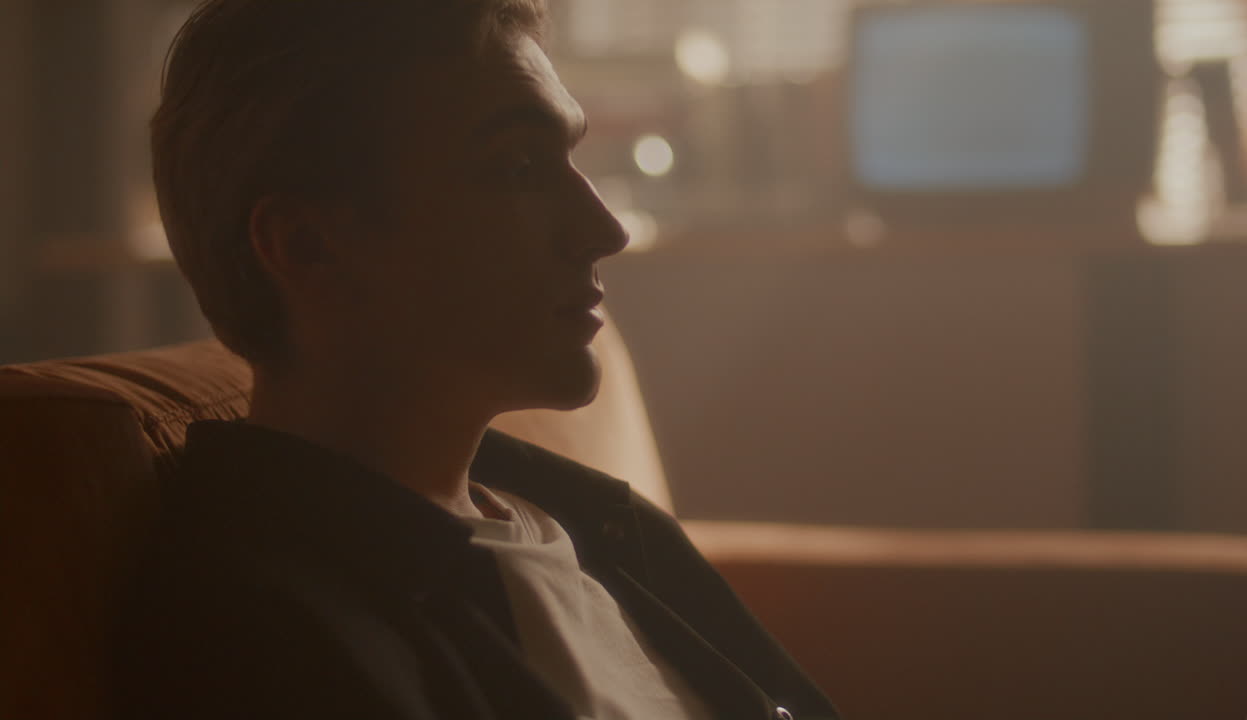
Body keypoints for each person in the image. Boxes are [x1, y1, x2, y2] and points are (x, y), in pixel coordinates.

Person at [107, 2, 840, 719]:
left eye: (570, 158)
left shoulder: (593, 519)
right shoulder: (263, 632)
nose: (604, 229)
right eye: (518, 167)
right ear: (309, 247)